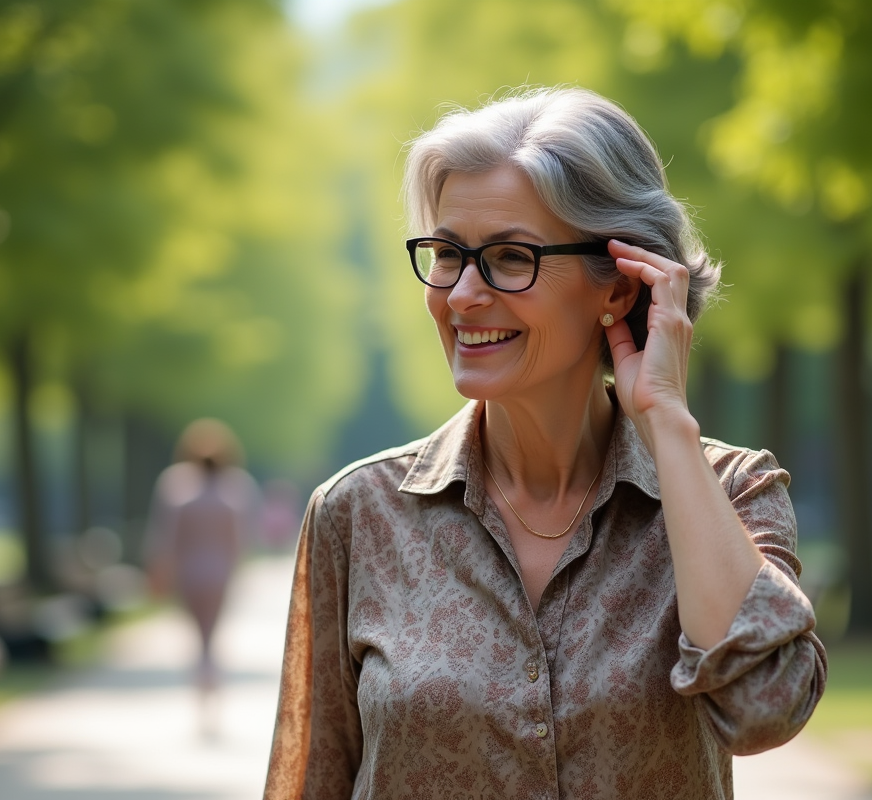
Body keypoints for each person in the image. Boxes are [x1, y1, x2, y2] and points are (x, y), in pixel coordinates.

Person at [263, 87, 826, 799]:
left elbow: (765, 709)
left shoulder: (732, 491)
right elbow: (311, 781)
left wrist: (667, 424)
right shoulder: (358, 514)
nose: (461, 294)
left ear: (619, 289)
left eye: (508, 257)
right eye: (447, 254)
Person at [146, 419, 260, 718]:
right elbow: (242, 539)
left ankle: (203, 682)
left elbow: (165, 537)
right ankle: (210, 681)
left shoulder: (176, 485)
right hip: (219, 572)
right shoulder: (235, 488)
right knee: (210, 633)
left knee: (199, 634)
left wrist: (159, 572)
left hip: (188, 572)